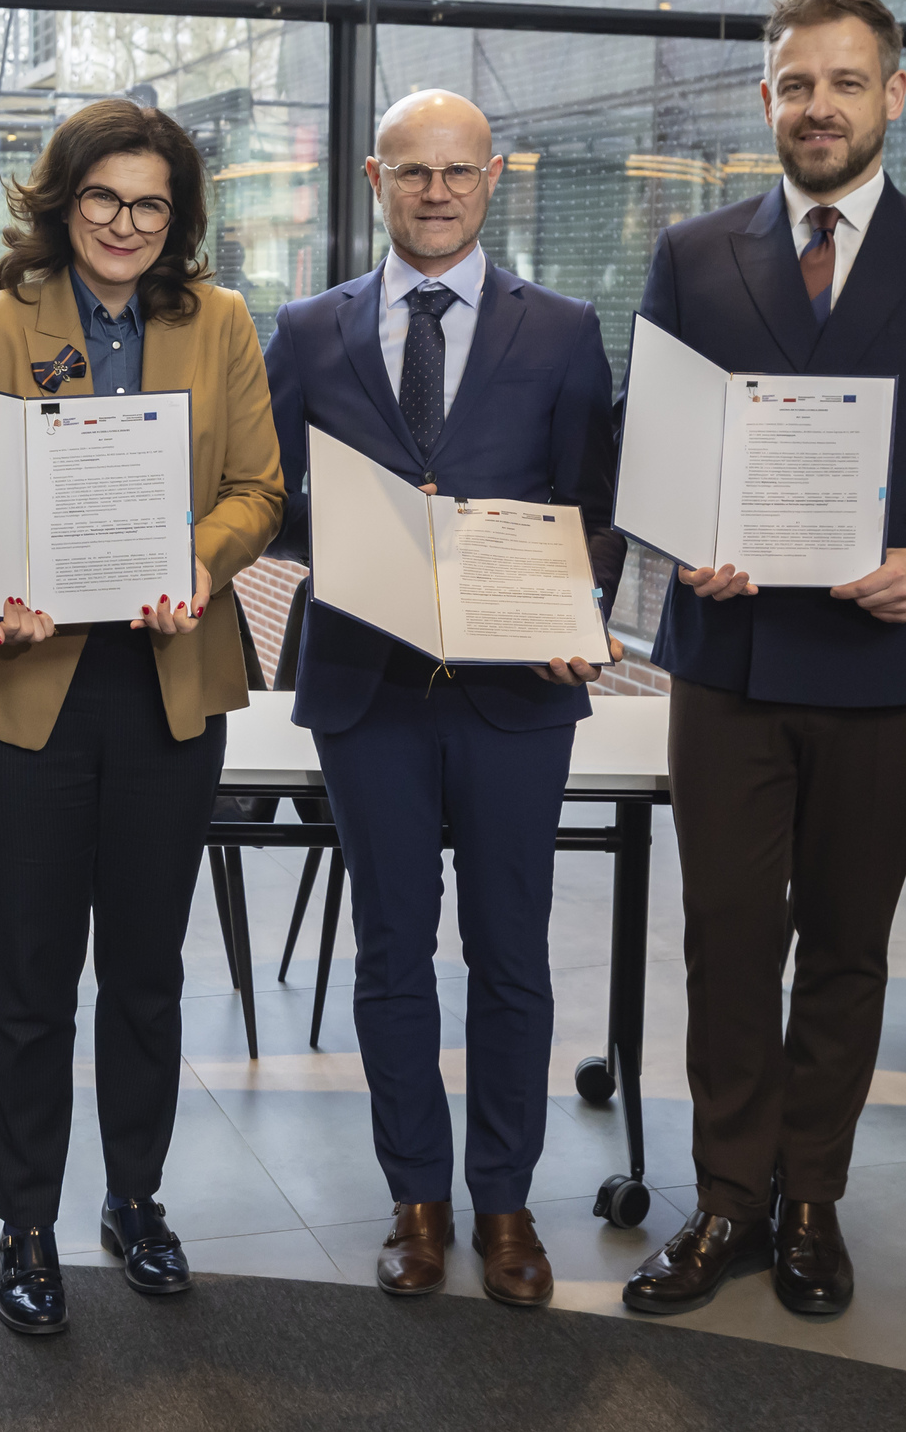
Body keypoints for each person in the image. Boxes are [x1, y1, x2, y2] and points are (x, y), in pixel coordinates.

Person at [620, 0, 906, 1320]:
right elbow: (654, 446)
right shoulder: (694, 252)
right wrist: (688, 533)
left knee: (848, 939)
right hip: (731, 655)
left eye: (846, 82)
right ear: (768, 99)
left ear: (892, 95)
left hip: (887, 660)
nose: (820, 106)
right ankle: (727, 1197)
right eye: (797, 84)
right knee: (727, 933)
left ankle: (811, 1194)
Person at [0, 99, 284, 1336]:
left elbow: (258, 490)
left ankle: (135, 1198)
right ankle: (26, 1220)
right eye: (103, 198)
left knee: (144, 971)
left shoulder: (220, 323)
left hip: (165, 687)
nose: (126, 224)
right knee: (30, 979)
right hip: (17, 693)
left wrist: (195, 559)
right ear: (61, 202)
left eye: (150, 204)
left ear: (176, 218)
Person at [262, 90, 623, 1310]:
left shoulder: (562, 329)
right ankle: (416, 1198)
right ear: (375, 178)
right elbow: (271, 495)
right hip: (369, 688)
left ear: (492, 177)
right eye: (411, 170)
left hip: (514, 691)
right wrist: (353, 530)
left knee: (510, 953)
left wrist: (577, 609)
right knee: (391, 951)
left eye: (457, 170)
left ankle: (505, 1202)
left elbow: (592, 503)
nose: (435, 191)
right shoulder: (308, 329)